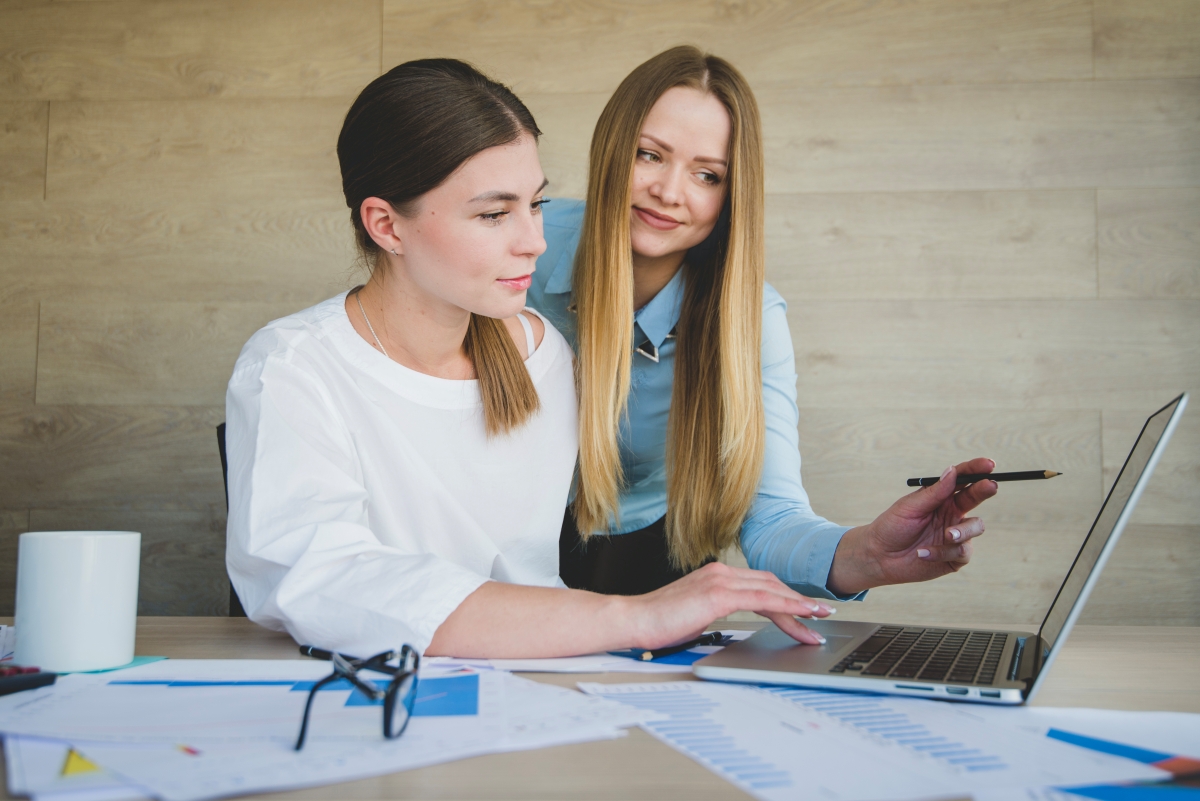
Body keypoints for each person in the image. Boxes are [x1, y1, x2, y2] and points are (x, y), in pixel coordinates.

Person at [225, 58, 841, 660]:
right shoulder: (290, 367)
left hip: (522, 684)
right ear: (387, 226)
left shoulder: (542, 359)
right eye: (495, 214)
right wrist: (632, 616)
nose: (536, 242)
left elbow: (531, 584)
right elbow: (320, 579)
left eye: (537, 205)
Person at [528, 46, 998, 600]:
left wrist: (870, 552)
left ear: (731, 195)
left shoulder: (750, 320)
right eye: (649, 155)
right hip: (498, 532)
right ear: (612, 150)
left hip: (650, 553)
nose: (670, 192)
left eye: (707, 175)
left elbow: (773, 518)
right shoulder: (521, 243)